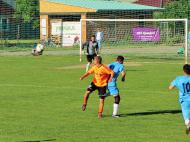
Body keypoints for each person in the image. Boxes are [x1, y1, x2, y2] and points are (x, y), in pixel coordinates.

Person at [169, 64, 190, 134]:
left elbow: (170, 87)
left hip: (184, 100)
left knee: (186, 116)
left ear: (183, 71)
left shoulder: (179, 79)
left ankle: (188, 124)